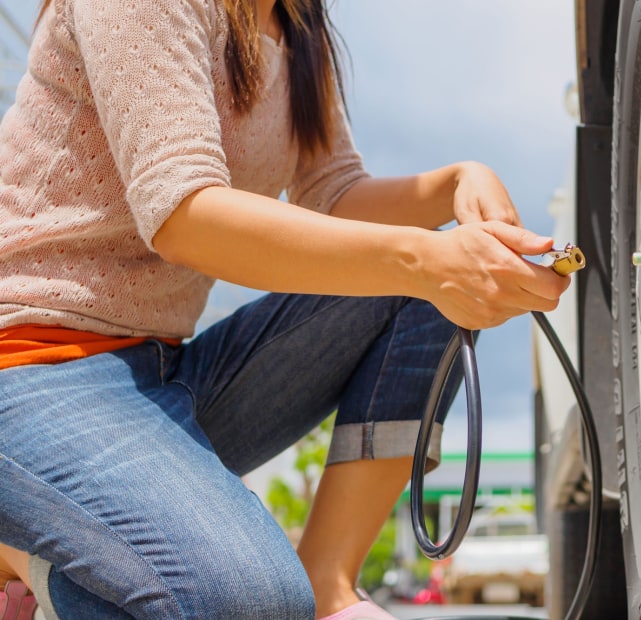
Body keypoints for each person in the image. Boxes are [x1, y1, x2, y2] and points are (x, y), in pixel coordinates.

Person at [0, 0, 571, 618]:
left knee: (422, 284)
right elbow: (185, 216)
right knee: (249, 603)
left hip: (159, 376)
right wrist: (428, 259)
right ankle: (29, 549)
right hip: (31, 370)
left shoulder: (299, 33)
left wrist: (454, 184)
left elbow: (333, 196)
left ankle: (328, 583)